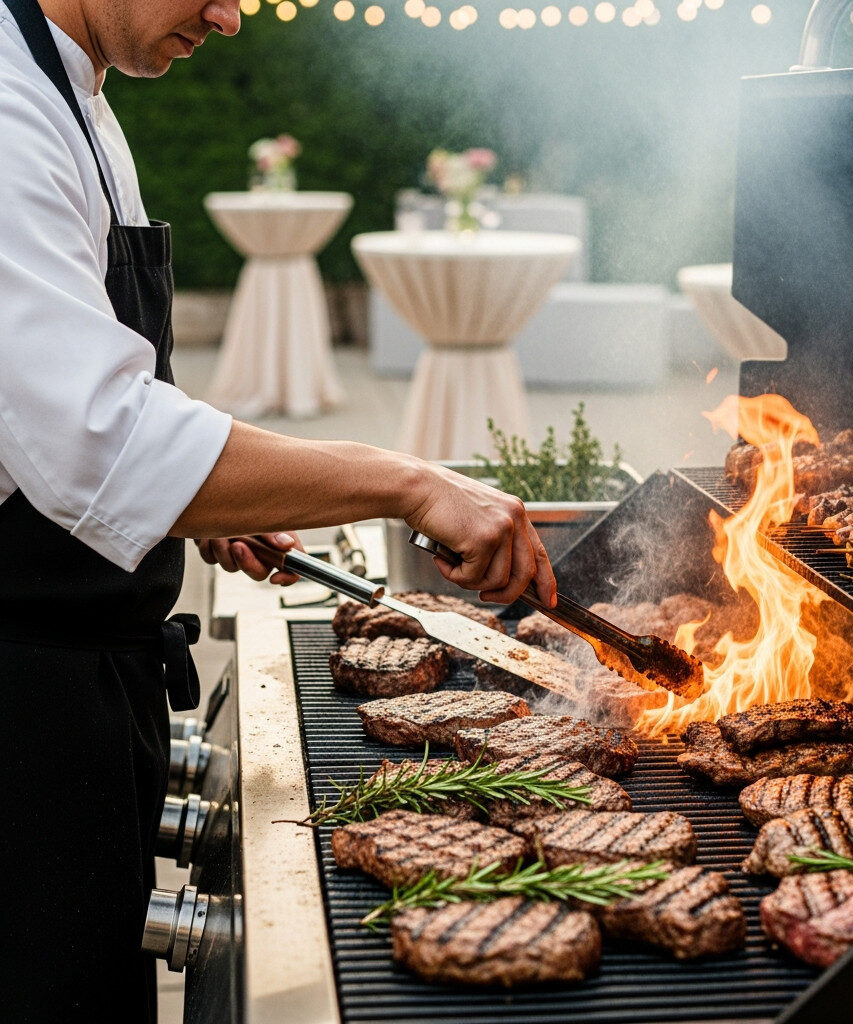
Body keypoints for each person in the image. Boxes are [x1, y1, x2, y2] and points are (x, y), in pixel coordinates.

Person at [0, 3, 556, 1021]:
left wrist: (205, 497)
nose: (228, 14)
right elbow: (107, 441)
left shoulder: (76, 98)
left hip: (79, 680)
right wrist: (410, 479)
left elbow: (71, 407)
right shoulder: (3, 111)